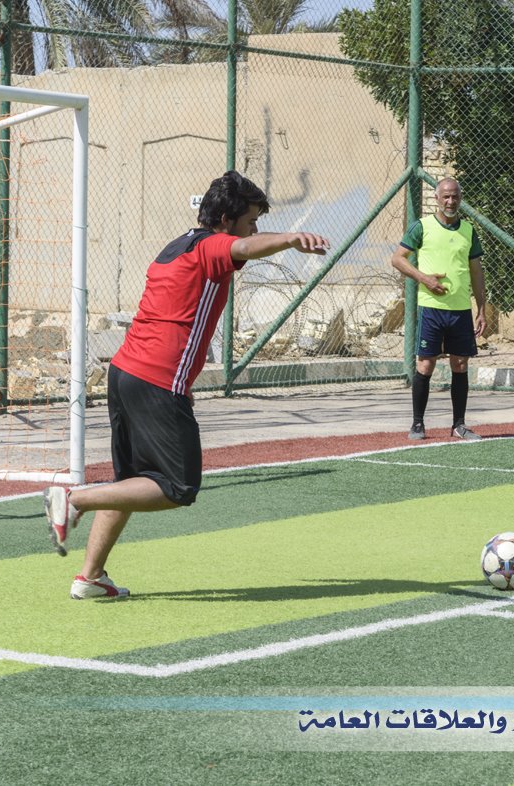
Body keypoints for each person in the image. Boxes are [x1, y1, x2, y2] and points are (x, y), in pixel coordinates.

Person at [43, 171, 330, 599]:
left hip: (125, 371)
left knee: (130, 481)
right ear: (227, 219)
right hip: (157, 378)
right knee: (177, 488)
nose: (255, 230)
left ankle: (90, 576)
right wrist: (290, 239)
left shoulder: (176, 245)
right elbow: (242, 247)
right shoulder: (213, 246)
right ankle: (74, 500)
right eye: (251, 220)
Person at [390, 177, 487, 441]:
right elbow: (397, 259)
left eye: (455, 196)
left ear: (460, 199)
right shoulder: (421, 227)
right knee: (425, 365)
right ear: (437, 198)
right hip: (431, 309)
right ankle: (417, 424)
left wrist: (481, 308)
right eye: (446, 196)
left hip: (460, 310)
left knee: (460, 364)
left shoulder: (468, 230)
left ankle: (459, 425)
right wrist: (424, 278)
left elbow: (476, 271)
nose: (450, 201)